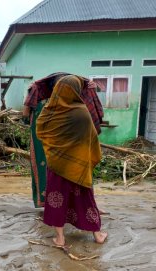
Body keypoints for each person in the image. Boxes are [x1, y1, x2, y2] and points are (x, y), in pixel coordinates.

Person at [35, 75, 108, 246]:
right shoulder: (81, 112)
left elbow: (40, 131)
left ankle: (60, 238)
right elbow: (91, 139)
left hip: (56, 164)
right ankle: (97, 235)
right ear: (75, 90)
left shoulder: (49, 110)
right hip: (79, 166)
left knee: (56, 200)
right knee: (85, 199)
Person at [23, 73, 104, 208]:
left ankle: (67, 209)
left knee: (67, 181)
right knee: (68, 180)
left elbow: (90, 129)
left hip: (65, 154)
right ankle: (68, 208)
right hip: (67, 154)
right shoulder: (74, 109)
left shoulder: (70, 108)